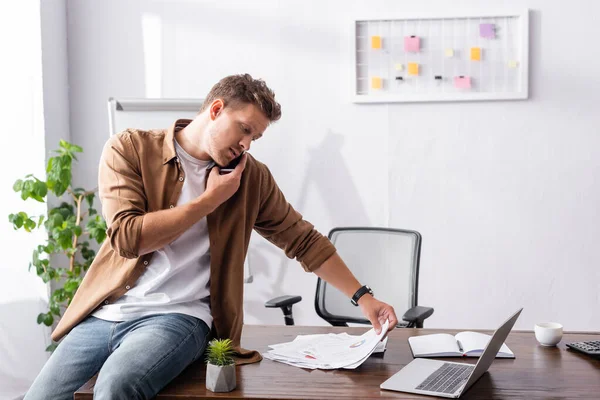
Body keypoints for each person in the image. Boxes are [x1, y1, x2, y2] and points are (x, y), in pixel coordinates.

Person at [24, 74, 398, 399]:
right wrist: (208, 200)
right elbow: (128, 238)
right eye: (245, 129)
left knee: (116, 387)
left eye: (256, 137)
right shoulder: (131, 149)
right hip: (107, 313)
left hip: (179, 316)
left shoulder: (251, 177)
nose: (247, 144)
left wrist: (363, 298)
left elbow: (302, 240)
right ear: (216, 109)